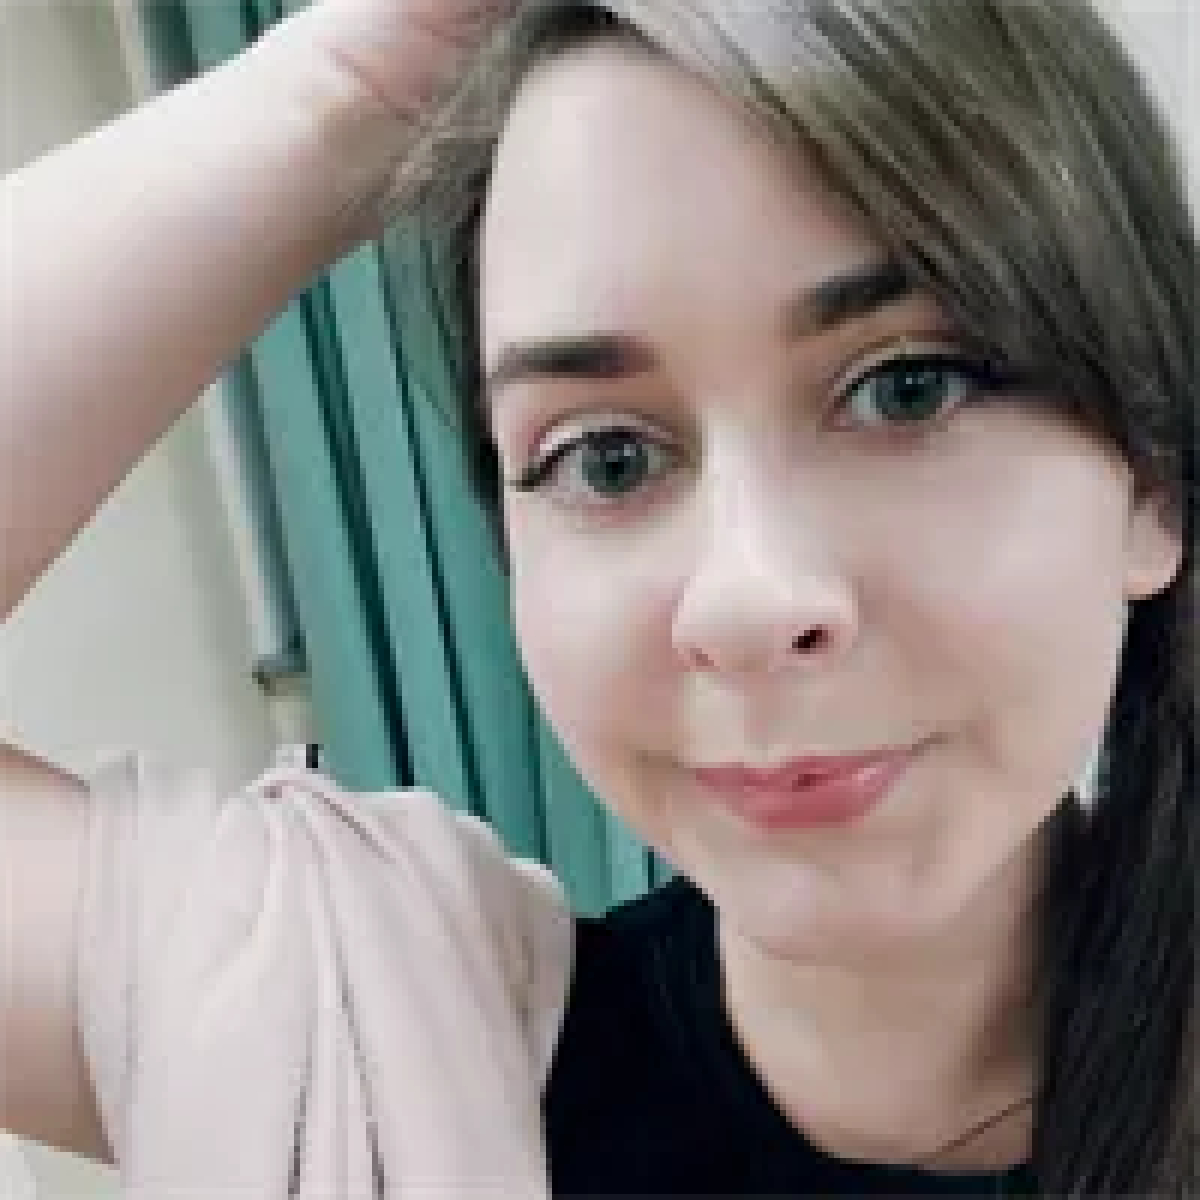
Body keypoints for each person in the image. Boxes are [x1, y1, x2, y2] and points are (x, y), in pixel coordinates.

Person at [0, 0, 1193, 1195]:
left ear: (1153, 484)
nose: (746, 599)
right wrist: (344, 95)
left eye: (909, 389)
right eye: (608, 459)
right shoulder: (384, 1054)